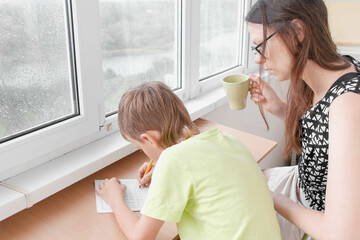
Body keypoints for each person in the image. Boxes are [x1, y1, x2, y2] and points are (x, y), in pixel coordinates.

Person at [96, 81, 281, 240]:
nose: (143, 152)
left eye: (139, 147)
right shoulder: (228, 140)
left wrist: (114, 198)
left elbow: (140, 237)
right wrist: (163, 169)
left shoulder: (174, 160)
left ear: (148, 139)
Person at [246, 0, 360, 239]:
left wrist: (274, 198)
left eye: (261, 45)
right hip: (303, 181)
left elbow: (342, 234)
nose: (259, 59)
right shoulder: (341, 67)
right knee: (236, 173)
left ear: (298, 32)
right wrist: (278, 108)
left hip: (316, 210)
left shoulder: (348, 104)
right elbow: (325, 138)